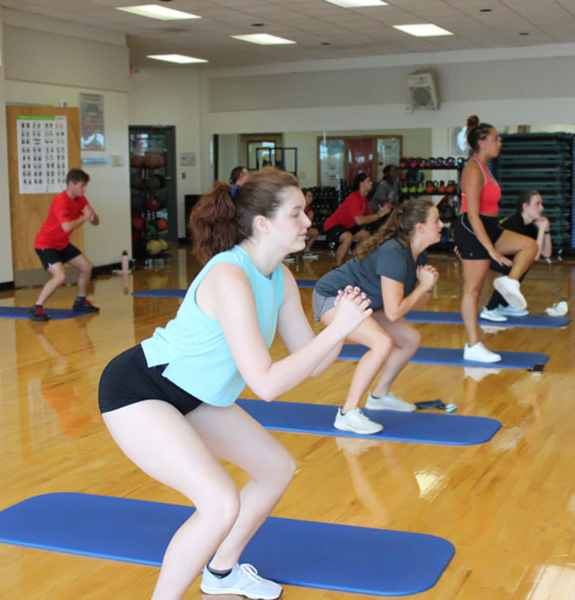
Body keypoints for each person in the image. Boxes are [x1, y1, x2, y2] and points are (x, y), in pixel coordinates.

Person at [98, 167, 372, 600]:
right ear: (263, 224)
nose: (308, 222)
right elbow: (264, 384)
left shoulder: (278, 277)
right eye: (297, 213)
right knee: (219, 503)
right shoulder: (230, 276)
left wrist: (339, 321)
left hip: (194, 395)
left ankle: (222, 572)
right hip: (141, 390)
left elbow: (315, 364)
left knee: (275, 468)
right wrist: (337, 333)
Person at [313, 199, 442, 434]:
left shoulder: (417, 254)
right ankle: (347, 413)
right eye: (436, 220)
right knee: (381, 343)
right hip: (333, 298)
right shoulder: (394, 251)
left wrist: (427, 286)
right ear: (420, 228)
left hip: (365, 304)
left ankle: (379, 396)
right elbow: (394, 311)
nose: (442, 224)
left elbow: (415, 302)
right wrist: (423, 286)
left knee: (409, 339)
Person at [454, 116, 537, 363]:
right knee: (473, 290)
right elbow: (472, 215)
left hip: (489, 226)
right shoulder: (472, 170)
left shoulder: (485, 167)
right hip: (472, 228)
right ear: (481, 142)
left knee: (529, 245)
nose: (499, 142)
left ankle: (510, 283)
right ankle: (472, 345)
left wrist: (493, 242)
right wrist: (491, 250)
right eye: (495, 138)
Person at [29, 168, 100, 321]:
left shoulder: (81, 199)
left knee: (86, 267)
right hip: (45, 244)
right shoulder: (60, 200)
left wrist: (92, 217)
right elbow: (67, 226)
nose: (84, 189)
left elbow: (95, 222)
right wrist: (84, 217)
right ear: (71, 184)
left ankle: (80, 301)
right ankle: (37, 307)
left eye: (85, 186)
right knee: (60, 276)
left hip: (61, 244)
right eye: (82, 186)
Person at [481, 190, 552, 321]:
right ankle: (490, 308)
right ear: (525, 206)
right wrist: (541, 230)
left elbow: (546, 253)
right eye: (537, 204)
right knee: (518, 265)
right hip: (484, 254)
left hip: (500, 255)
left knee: (522, 264)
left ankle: (503, 304)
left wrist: (546, 231)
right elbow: (535, 255)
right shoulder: (513, 224)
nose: (542, 207)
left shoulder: (529, 227)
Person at [324, 173, 391, 268]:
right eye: (369, 181)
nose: (372, 183)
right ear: (361, 184)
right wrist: (379, 215)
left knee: (366, 235)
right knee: (348, 237)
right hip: (332, 225)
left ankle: (354, 261)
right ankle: (337, 266)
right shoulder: (354, 197)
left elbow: (369, 217)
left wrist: (381, 213)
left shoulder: (363, 200)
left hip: (347, 226)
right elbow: (359, 221)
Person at [302, 189, 319, 259]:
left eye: (311, 196)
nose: (311, 198)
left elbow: (308, 225)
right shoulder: (299, 207)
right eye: (308, 196)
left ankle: (306, 251)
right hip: (293, 229)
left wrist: (310, 218)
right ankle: (286, 254)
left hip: (302, 228)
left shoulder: (308, 208)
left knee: (315, 232)